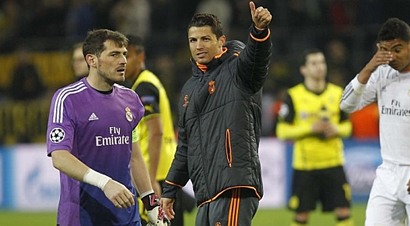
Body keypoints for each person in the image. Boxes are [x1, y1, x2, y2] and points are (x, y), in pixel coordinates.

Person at [160, 1, 272, 226]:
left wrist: (259, 31)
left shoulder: (238, 69)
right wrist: (170, 188)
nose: (198, 46)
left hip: (234, 184)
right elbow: (185, 146)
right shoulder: (189, 90)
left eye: (205, 39)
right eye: (193, 40)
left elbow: (256, 59)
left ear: (221, 41)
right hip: (206, 192)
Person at [340, 18, 410, 226]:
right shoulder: (382, 73)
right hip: (387, 174)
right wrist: (369, 67)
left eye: (397, 49)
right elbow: (346, 105)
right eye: (385, 50)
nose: (391, 56)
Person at [46, 29, 166, 226]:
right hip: (81, 217)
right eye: (114, 54)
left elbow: (134, 156)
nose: (123, 61)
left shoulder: (131, 99)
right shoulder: (67, 99)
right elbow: (59, 157)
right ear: (92, 60)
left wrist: (151, 203)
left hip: (126, 217)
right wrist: (105, 183)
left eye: (124, 54)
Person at [276, 49, 354, 226]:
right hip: (305, 166)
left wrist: (336, 129)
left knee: (343, 211)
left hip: (333, 163)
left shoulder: (337, 93)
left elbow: (348, 127)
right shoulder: (293, 96)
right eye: (314, 63)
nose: (319, 67)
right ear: (303, 69)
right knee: (301, 215)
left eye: (322, 62)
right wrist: (309, 128)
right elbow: (281, 131)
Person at [124, 34, 194, 226]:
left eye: (126, 56)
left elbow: (156, 131)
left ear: (140, 57)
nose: (123, 61)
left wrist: (151, 180)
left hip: (157, 171)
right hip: (164, 167)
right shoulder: (147, 82)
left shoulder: (144, 86)